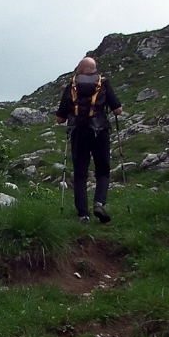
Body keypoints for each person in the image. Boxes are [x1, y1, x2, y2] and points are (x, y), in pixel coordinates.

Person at [55, 56, 123, 224]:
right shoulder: (104, 83)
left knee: (80, 174)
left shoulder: (71, 85)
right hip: (100, 132)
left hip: (79, 133)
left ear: (80, 70)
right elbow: (118, 110)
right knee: (102, 171)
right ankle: (99, 203)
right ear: (94, 69)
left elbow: (60, 119)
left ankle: (83, 215)